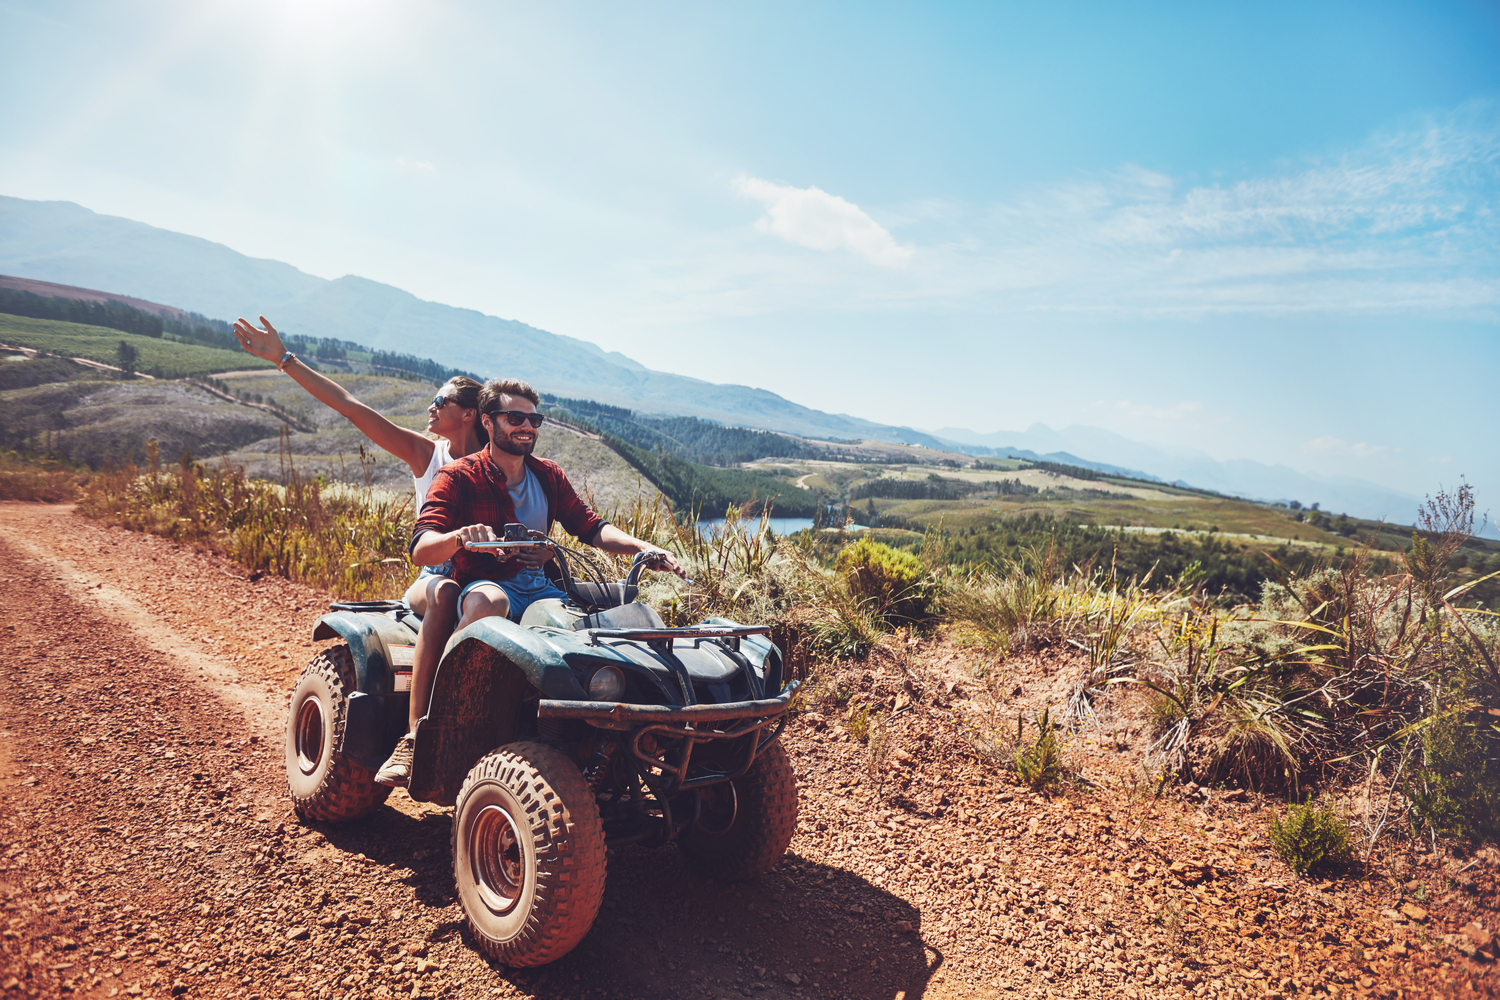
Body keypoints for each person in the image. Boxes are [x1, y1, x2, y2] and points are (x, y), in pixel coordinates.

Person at [375, 376, 686, 786]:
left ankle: (608, 733)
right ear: (488, 422)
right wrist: (459, 537)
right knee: (488, 604)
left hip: (541, 588)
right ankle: (434, 724)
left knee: (595, 630)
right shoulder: (458, 476)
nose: (527, 427)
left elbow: (590, 527)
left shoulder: (548, 475)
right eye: (515, 417)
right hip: (486, 583)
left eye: (534, 419)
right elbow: (421, 546)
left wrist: (643, 547)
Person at [230, 314, 485, 751]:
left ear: (468, 414)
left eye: (440, 400)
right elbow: (351, 406)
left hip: (484, 575)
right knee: (443, 592)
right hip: (436, 575)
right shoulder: (426, 454)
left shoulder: (494, 461)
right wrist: (283, 359)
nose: (431, 406)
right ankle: (419, 732)